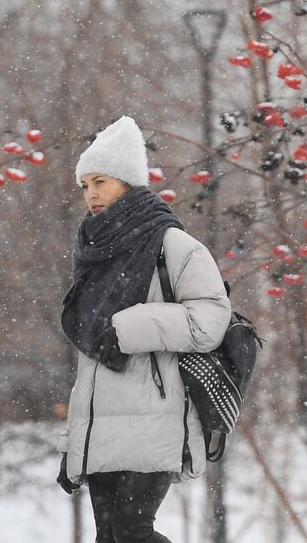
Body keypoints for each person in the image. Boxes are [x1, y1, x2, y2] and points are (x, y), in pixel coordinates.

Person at [55, 115, 232, 543]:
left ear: (129, 182)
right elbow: (92, 353)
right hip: (102, 422)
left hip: (155, 414)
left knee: (132, 532)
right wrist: (74, 439)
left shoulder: (172, 244)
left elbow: (211, 319)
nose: (91, 194)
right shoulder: (93, 251)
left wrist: (133, 325)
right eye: (84, 185)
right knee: (109, 538)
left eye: (100, 181)